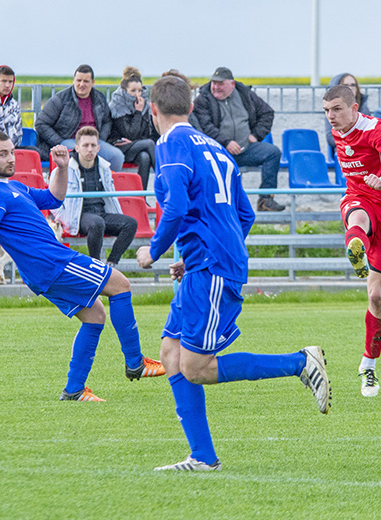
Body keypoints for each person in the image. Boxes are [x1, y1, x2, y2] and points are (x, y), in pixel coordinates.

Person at [136, 76, 331, 471]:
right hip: (205, 263)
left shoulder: (170, 145)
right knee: (171, 355)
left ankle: (300, 363)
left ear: (152, 110)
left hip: (212, 267)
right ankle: (203, 457)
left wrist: (152, 251)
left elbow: (173, 209)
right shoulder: (218, 150)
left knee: (196, 367)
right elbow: (245, 213)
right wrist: (200, 252)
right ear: (192, 108)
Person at [0, 130, 164, 401]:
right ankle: (136, 363)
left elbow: (54, 199)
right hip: (53, 262)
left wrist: (61, 168)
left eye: (12, 152)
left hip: (46, 268)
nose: (11, 158)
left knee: (95, 316)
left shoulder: (12, 186)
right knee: (120, 284)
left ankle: (74, 390)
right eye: (2, 154)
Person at [323, 85, 381, 397]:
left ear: (355, 107)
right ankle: (357, 246)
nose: (330, 116)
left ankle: (369, 366)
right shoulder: (337, 131)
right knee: (357, 217)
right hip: (359, 197)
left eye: (336, 109)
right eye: (326, 111)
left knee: (377, 296)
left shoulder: (375, 128)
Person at [193, 67, 285, 212]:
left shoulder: (245, 94)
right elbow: (205, 127)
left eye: (220, 83)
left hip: (245, 148)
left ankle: (266, 200)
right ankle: (220, 208)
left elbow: (267, 113)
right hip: (218, 152)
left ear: (232, 84)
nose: (215, 87)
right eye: (213, 83)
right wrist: (226, 142)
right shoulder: (203, 100)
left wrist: (256, 135)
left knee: (273, 153)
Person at [55, 126, 138, 266]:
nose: (89, 149)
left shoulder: (105, 167)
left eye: (93, 145)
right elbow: (53, 197)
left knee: (130, 223)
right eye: (85, 145)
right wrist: (62, 218)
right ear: (77, 148)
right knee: (97, 223)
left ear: (98, 148)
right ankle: (96, 266)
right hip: (79, 215)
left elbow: (111, 197)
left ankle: (111, 263)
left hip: (100, 212)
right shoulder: (65, 168)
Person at [35, 65, 124, 171]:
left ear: (93, 82)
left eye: (86, 81)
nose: (82, 84)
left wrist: (100, 139)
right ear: (73, 80)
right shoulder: (60, 99)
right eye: (79, 80)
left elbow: (107, 121)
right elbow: (41, 123)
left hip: (94, 140)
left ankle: (108, 185)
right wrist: (59, 142)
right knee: (82, 153)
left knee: (117, 156)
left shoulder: (99, 98)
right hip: (68, 140)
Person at [109, 67, 156, 190]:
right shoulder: (117, 105)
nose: (137, 94)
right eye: (133, 91)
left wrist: (137, 141)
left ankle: (141, 198)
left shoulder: (144, 105)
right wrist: (138, 113)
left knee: (145, 157)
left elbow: (146, 132)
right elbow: (130, 133)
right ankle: (165, 180)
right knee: (150, 144)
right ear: (125, 91)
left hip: (136, 145)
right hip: (119, 145)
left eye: (140, 90)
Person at [325, 73, 371, 156]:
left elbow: (370, 133)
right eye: (345, 85)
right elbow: (330, 138)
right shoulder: (331, 111)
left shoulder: (364, 108)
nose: (350, 88)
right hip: (344, 149)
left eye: (353, 85)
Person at [0, 65, 23, 147]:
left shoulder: (14, 104)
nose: (7, 85)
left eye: (10, 82)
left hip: (11, 149)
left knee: (34, 152)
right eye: (3, 81)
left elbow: (18, 132)